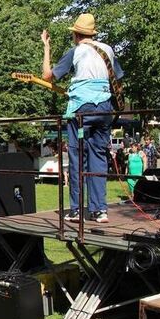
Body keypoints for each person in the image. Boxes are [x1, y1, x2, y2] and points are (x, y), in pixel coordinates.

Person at [42, 13, 124, 223]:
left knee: (78, 157)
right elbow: (119, 80)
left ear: (76, 34)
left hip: (82, 109)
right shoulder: (107, 49)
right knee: (98, 156)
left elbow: (47, 76)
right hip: (104, 108)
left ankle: (77, 210)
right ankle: (100, 210)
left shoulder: (75, 51)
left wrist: (46, 47)